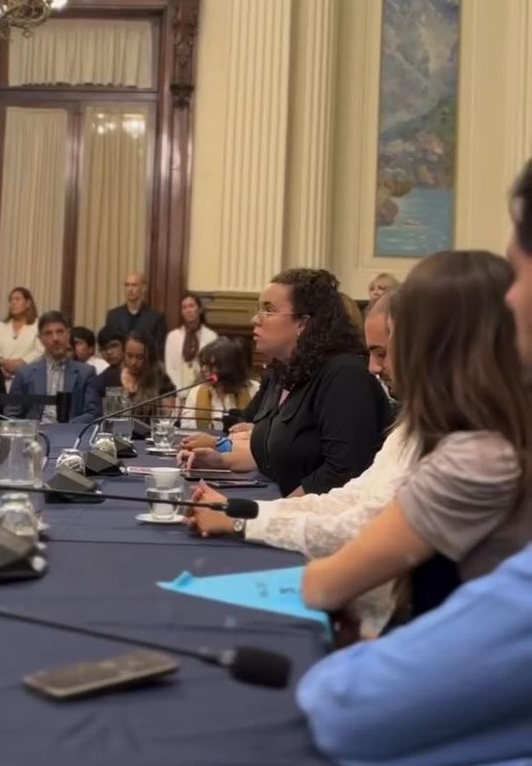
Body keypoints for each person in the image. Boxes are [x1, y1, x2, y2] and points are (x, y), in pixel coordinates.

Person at [296, 161, 532, 766]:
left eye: (521, 269)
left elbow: (350, 706)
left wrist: (365, 660)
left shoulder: (483, 454)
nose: (512, 296)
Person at [302, 250, 532, 635]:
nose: (377, 366)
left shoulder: (479, 455)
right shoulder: (474, 434)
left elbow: (327, 583)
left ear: (432, 347)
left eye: (392, 344)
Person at [187, 297, 415, 606]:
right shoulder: (413, 426)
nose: (373, 367)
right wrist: (240, 509)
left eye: (381, 353)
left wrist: (242, 520)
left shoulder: (346, 376)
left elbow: (357, 523)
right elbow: (349, 498)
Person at [181, 269, 389, 496]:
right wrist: (221, 461)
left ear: (303, 323)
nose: (255, 318)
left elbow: (342, 473)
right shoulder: (285, 370)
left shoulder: (346, 376)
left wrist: (271, 515)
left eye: (268, 310)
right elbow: (277, 454)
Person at [10, 312, 102, 424]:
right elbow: (11, 415)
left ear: (68, 334)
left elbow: (93, 413)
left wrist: (65, 429)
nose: (55, 338)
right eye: (48, 333)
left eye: (60, 332)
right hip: (34, 435)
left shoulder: (86, 373)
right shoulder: (24, 374)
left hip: (71, 435)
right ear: (40, 339)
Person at [179, 337, 258, 431]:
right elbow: (187, 431)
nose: (204, 369)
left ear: (230, 368)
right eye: (203, 364)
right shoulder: (196, 392)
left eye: (212, 365)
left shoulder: (255, 390)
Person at [164, 292, 217, 397]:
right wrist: (180, 392)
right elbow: (169, 367)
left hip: (202, 392)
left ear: (200, 309)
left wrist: (194, 391)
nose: (188, 310)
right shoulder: (173, 336)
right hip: (177, 393)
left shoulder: (211, 337)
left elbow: (212, 368)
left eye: (191, 306)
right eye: (184, 307)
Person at [0, 287, 43, 388]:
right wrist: (2, 361)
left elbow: (40, 351)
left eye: (17, 299)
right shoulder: (0, 327)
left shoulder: (38, 325)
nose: (13, 303)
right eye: (11, 300)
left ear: (28, 303)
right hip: (1, 381)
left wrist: (22, 362)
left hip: (28, 381)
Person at [104, 273, 166, 359]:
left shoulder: (156, 317)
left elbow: (158, 350)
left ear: (144, 288)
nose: (130, 289)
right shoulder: (113, 316)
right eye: (127, 285)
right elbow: (108, 344)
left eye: (134, 285)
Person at [119, 330, 176, 422]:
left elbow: (167, 420)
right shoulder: (110, 377)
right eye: (129, 356)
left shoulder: (161, 379)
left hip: (150, 434)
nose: (133, 362)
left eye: (139, 357)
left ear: (149, 357)